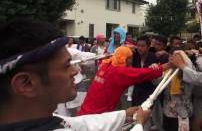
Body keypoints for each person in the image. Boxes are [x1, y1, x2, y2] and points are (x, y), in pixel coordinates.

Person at [0, 18, 149, 131]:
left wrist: (123, 115)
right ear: (26, 83)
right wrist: (139, 125)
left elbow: (81, 124)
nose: (75, 71)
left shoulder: (44, 120)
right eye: (66, 66)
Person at [78, 46, 170, 115]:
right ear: (127, 58)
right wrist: (169, 65)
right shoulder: (120, 72)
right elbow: (145, 73)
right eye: (131, 57)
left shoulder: (106, 64)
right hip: (97, 116)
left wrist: (125, 48)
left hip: (85, 112)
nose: (132, 61)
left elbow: (120, 53)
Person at [131, 36, 160, 107]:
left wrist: (155, 66)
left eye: (143, 46)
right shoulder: (134, 56)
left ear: (148, 47)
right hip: (137, 89)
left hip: (149, 90)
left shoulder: (153, 57)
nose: (140, 48)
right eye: (138, 45)